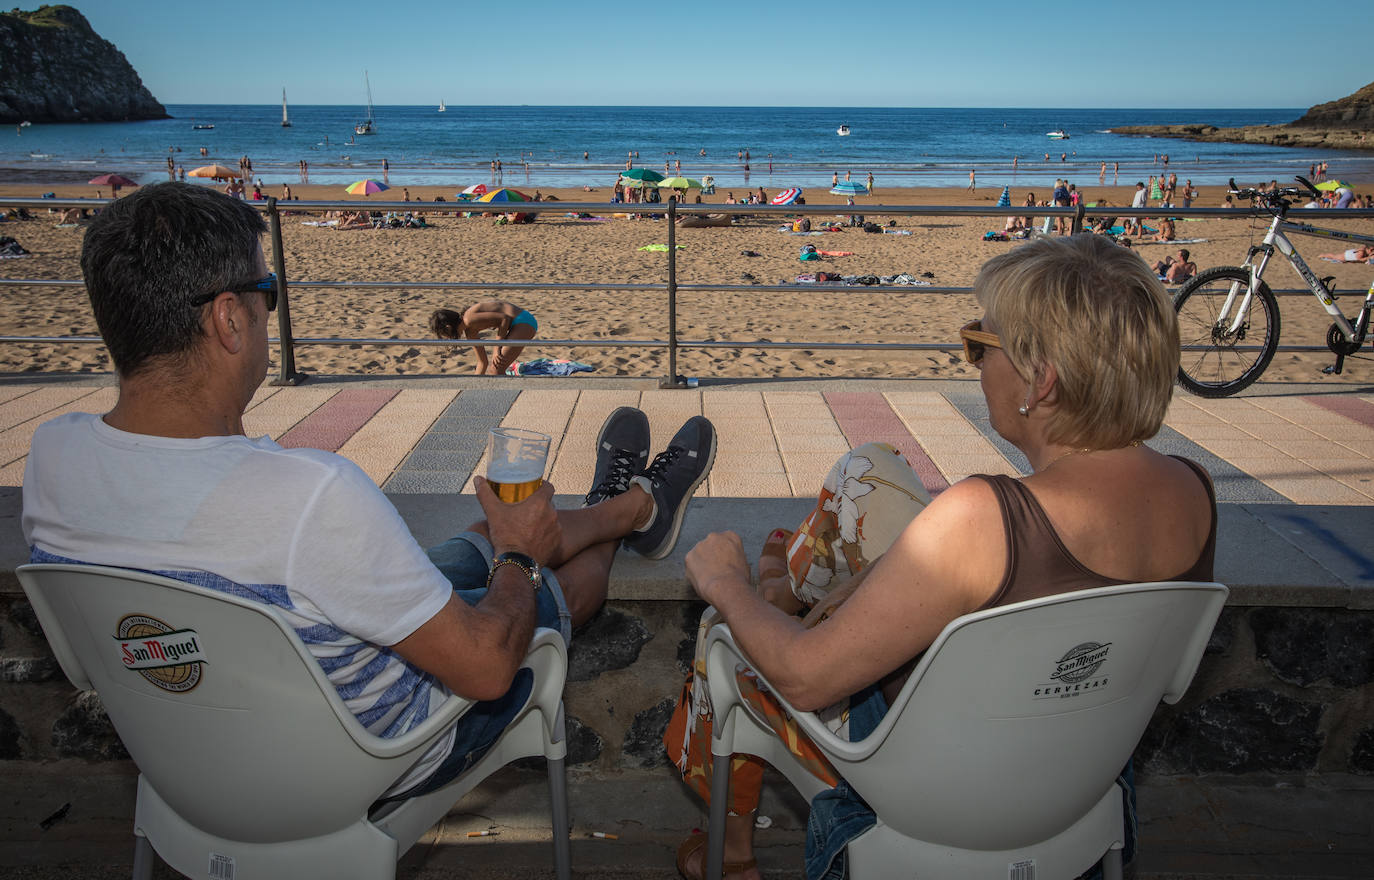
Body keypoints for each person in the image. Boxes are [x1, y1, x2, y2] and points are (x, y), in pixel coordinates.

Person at [23, 182, 719, 805]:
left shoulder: (53, 458)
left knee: (479, 539)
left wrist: (501, 545)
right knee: (540, 569)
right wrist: (517, 560)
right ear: (229, 320)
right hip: (362, 763)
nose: (271, 312)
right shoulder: (308, 494)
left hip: (185, 765)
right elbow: (483, 670)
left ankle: (606, 511)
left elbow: (93, 655)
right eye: (269, 292)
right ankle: (627, 511)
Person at [669, 233, 1216, 880]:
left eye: (980, 346)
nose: (973, 364)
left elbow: (804, 678)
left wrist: (727, 584)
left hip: (926, 799)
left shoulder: (986, 518)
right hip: (1076, 787)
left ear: (1041, 381)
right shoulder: (1192, 491)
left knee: (726, 631)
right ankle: (792, 590)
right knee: (870, 476)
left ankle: (727, 852)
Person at [430, 300, 539, 376]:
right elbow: (482, 362)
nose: (448, 339)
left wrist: (496, 348)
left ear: (448, 328)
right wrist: (475, 386)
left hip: (523, 321)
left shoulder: (469, 318)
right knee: (495, 370)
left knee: (496, 370)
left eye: (445, 335)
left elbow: (504, 319)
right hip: (515, 325)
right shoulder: (470, 333)